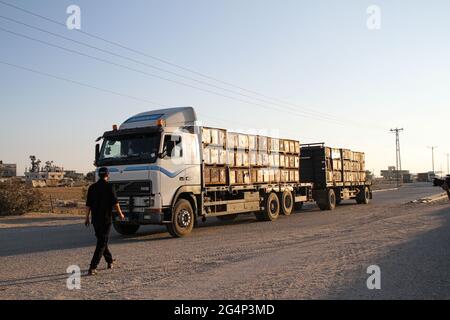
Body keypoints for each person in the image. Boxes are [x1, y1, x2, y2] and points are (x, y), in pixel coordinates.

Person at [85, 167, 125, 275]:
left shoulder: (92, 187)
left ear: (99, 175)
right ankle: (93, 267)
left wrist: (86, 218)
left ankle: (109, 261)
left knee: (102, 241)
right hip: (106, 219)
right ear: (108, 175)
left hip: (95, 220)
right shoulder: (109, 187)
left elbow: (88, 204)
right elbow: (115, 203)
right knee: (102, 243)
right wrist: (120, 214)